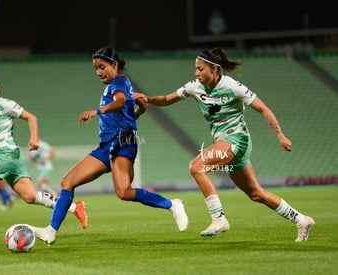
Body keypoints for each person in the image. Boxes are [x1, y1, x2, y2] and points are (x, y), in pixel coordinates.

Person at [132, 47, 315, 242]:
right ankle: (301, 220)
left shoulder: (233, 86)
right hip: (224, 143)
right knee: (256, 194)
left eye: (200, 69)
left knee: (196, 167)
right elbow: (168, 99)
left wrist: (280, 134)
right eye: (195, 68)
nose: (196, 73)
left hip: (237, 140)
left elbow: (263, 108)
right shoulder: (195, 86)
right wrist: (148, 99)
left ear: (214, 69)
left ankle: (219, 219)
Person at [31, 47, 189, 245]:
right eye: (96, 68)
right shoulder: (117, 85)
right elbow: (126, 112)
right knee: (67, 182)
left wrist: (97, 111)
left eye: (102, 67)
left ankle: (172, 204)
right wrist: (138, 111)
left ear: (114, 65)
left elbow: (120, 102)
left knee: (123, 192)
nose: (98, 72)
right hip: (107, 146)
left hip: (123, 143)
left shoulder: (120, 82)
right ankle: (51, 230)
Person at [0, 74, 87, 241]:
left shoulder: (5, 104)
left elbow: (31, 117)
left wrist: (34, 138)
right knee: (30, 196)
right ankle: (74, 207)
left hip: (5, 153)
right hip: (11, 157)